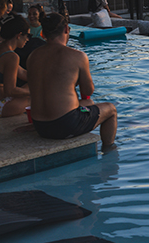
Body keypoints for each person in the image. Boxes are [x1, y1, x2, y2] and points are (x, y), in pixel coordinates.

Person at [26, 13, 118, 150]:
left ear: (43, 33)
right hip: (66, 125)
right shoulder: (77, 56)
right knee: (111, 109)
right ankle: (109, 151)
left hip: (40, 126)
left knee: (89, 104)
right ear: (66, 29)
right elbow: (88, 91)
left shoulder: (33, 56)